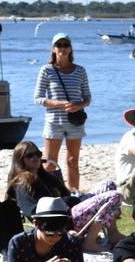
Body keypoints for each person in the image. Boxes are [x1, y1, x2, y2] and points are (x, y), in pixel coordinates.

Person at [7, 140, 123, 252]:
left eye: (38, 154)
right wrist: (65, 202)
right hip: (64, 220)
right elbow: (32, 211)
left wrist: (77, 199)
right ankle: (89, 243)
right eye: (30, 155)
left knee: (108, 184)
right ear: (20, 160)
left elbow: (67, 195)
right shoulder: (22, 183)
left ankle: (112, 233)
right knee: (114, 196)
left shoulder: (45, 177)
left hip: (72, 209)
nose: (36, 158)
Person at [33, 32, 91, 191]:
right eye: (59, 45)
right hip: (54, 122)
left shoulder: (80, 71)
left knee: (73, 162)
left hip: (75, 122)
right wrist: (57, 104)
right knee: (50, 163)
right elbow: (37, 98)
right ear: (53, 49)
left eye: (66, 45)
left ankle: (74, 195)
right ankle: (48, 196)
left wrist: (78, 105)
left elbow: (87, 98)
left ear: (71, 49)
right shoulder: (46, 70)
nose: (63, 48)